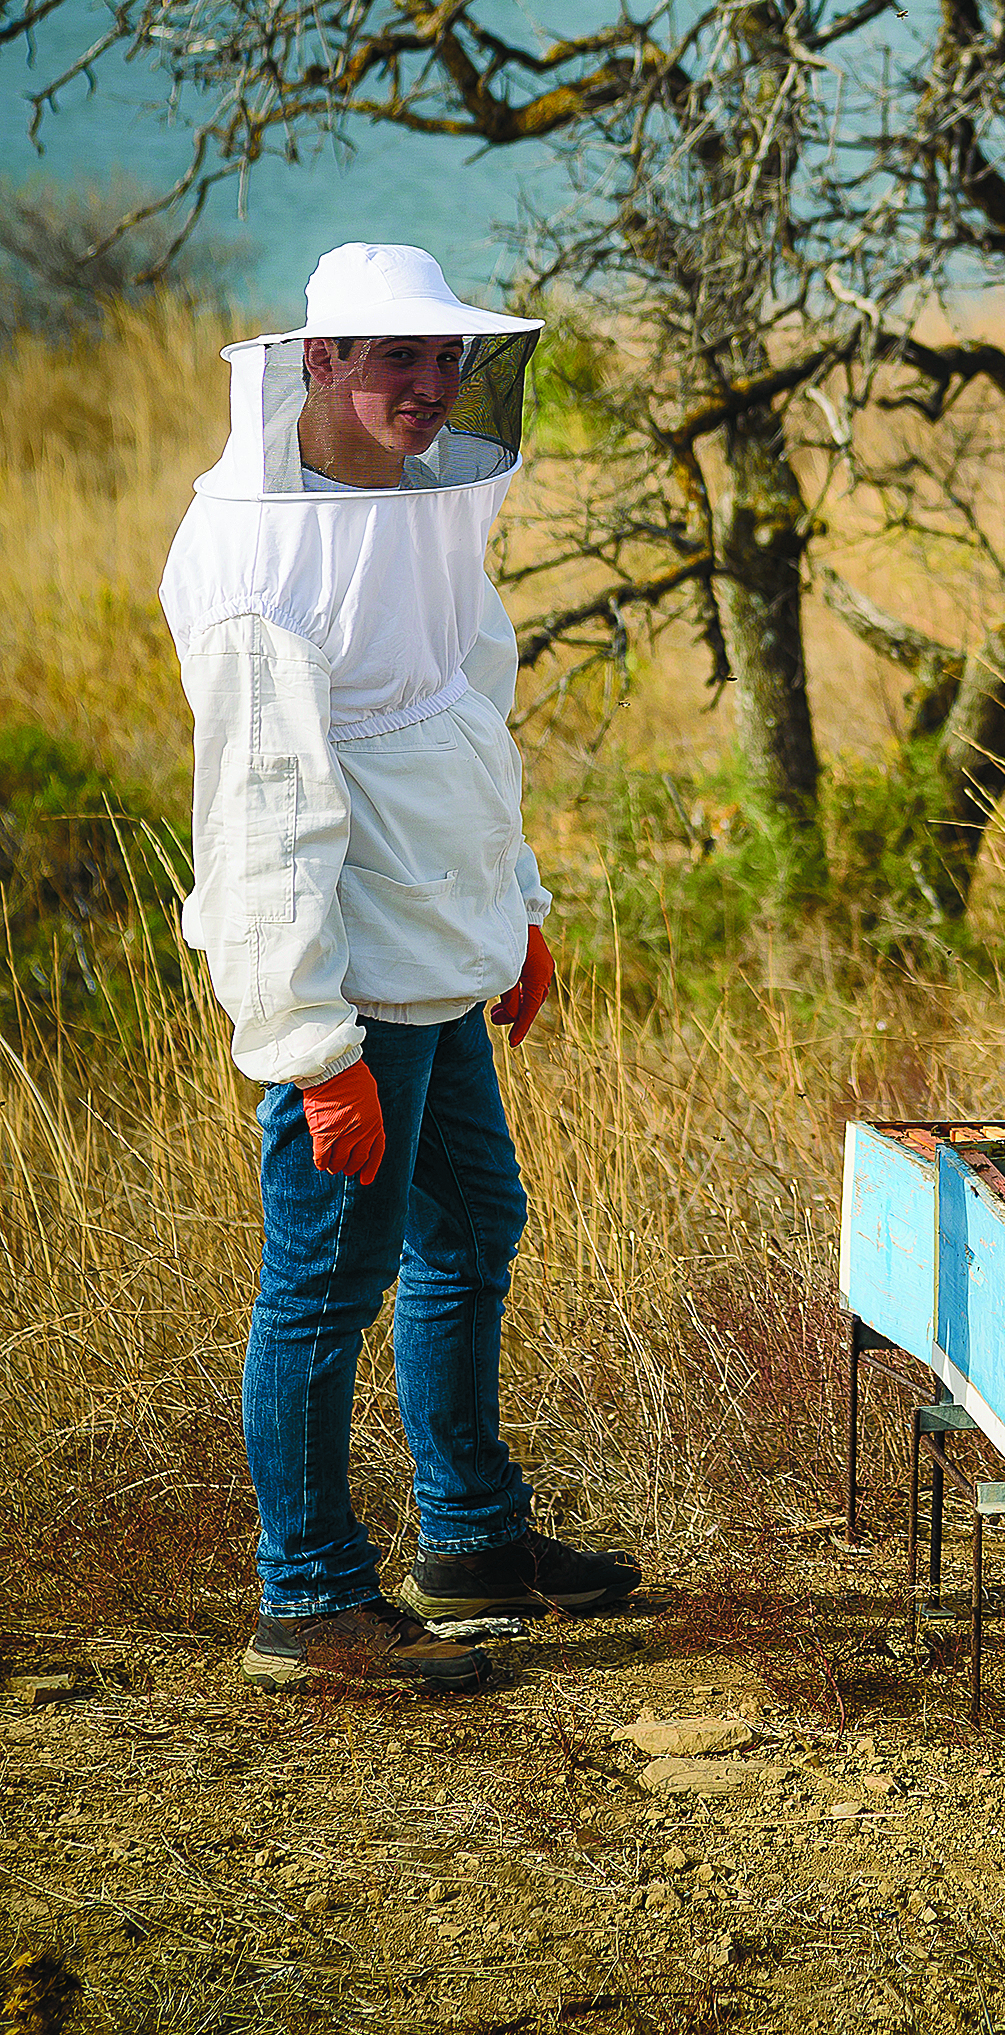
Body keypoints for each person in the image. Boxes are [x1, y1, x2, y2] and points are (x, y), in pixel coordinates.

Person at [160, 242, 640, 1693]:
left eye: (442, 360)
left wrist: (516, 907)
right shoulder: (256, 555)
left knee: (474, 1225)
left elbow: (462, 713)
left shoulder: (424, 503)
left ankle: (474, 1544)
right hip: (351, 981)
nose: (425, 388)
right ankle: (305, 1602)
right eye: (391, 360)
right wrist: (312, 1052)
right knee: (322, 1282)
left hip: (442, 953)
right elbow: (263, 819)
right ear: (317, 363)